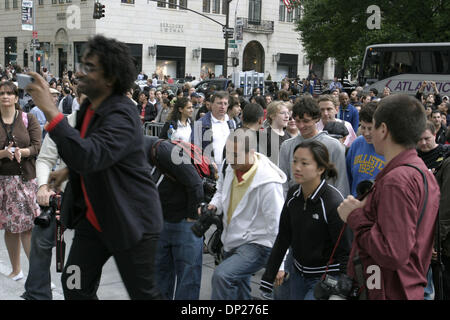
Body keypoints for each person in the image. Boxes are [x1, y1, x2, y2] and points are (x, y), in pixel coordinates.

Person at [26, 35, 164, 300]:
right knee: (75, 284)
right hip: (95, 222)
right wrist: (70, 171)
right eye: (82, 64)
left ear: (110, 78)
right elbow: (97, 154)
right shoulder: (90, 106)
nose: (80, 72)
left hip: (132, 223)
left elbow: (89, 155)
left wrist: (51, 111)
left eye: (89, 67)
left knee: (143, 294)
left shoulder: (123, 114)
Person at [338, 94, 440, 299]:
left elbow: (392, 252)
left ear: (383, 130)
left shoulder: (397, 181)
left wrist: (354, 215)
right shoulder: (420, 172)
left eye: (373, 126)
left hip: (389, 290)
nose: (367, 133)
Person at [260, 140, 351, 300]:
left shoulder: (332, 201)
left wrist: (342, 286)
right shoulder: (293, 195)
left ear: (320, 169)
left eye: (304, 163)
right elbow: (283, 237)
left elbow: (346, 250)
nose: (297, 167)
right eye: (295, 161)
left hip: (324, 278)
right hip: (297, 274)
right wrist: (268, 277)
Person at [209, 128, 286, 300]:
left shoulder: (269, 183)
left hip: (258, 244)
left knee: (222, 276)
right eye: (228, 153)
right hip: (233, 239)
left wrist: (280, 264)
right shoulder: (230, 166)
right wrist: (213, 205)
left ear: (251, 152)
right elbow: (220, 191)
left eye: (235, 154)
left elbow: (277, 225)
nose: (230, 159)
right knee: (239, 291)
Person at [22, 110, 77, 300]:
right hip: (63, 195)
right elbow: (45, 158)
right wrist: (43, 186)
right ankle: (37, 294)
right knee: (40, 238)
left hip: (98, 201)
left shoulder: (110, 121)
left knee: (80, 263)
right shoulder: (64, 123)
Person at [144, 136, 204, 300]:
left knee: (188, 280)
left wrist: (192, 218)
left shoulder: (161, 149)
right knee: (159, 278)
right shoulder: (127, 157)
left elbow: (195, 183)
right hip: (160, 222)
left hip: (185, 222)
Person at [0, 81, 42, 280]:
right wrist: (3, 153)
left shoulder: (28, 118)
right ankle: (16, 270)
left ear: (16, 98)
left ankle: (37, 274)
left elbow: (37, 146)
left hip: (25, 181)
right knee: (9, 228)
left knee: (26, 228)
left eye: (9, 93)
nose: (5, 97)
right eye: (2, 93)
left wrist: (23, 151)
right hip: (3, 183)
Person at [279, 96, 350, 197]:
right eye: (298, 121)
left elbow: (341, 183)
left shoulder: (334, 145)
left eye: (306, 121)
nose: (301, 125)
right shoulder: (286, 146)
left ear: (316, 119)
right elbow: (283, 181)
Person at [346, 102, 386, 197]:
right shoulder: (357, 144)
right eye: (363, 128)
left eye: (370, 128)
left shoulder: (389, 147)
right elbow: (348, 177)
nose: (366, 133)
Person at [192, 91, 231, 172]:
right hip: (209, 172)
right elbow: (194, 150)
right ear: (211, 105)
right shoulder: (201, 124)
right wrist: (208, 163)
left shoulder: (230, 123)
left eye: (225, 103)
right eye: (219, 103)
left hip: (228, 170)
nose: (222, 106)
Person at [262, 101, 291, 165]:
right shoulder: (264, 135)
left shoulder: (288, 135)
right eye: (283, 113)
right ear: (272, 116)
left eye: (288, 113)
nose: (287, 116)